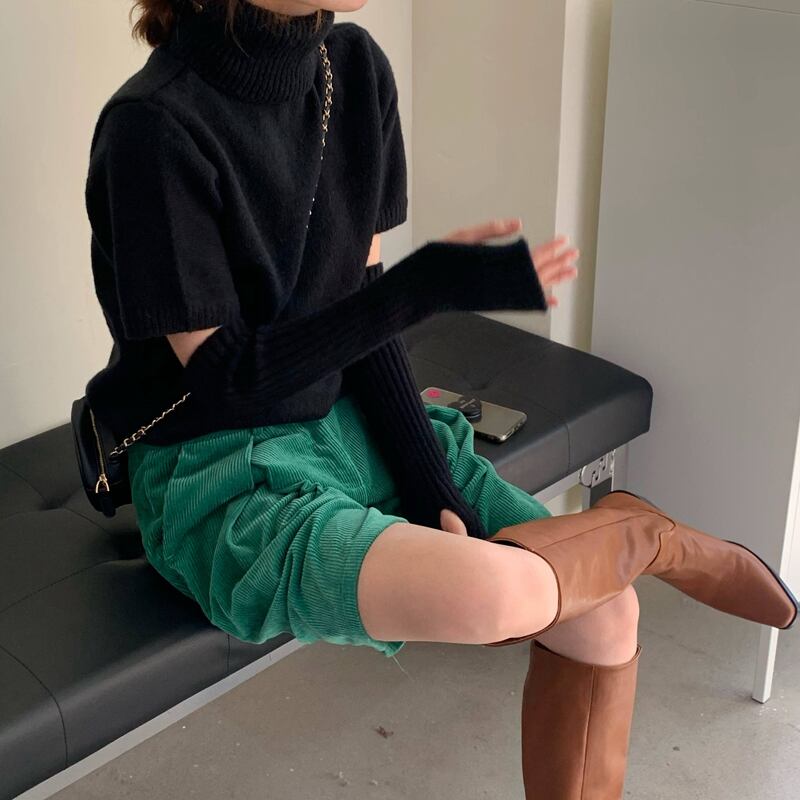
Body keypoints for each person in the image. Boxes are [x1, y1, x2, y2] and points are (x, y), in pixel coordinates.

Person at [83, 1, 798, 797]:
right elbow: (230, 378)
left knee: (606, 612)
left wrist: (429, 481)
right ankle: (647, 534)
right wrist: (421, 288)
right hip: (222, 470)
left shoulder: (352, 70)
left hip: (345, 423)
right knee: (501, 593)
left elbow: (359, 314)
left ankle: (634, 536)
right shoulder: (153, 128)